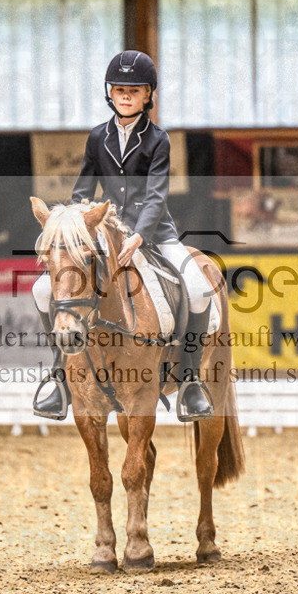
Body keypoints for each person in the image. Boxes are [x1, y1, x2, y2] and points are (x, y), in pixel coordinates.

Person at [32, 50, 216, 422]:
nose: (126, 96)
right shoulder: (97, 137)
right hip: (105, 231)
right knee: (41, 289)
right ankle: (59, 375)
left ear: (148, 95)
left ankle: (191, 380)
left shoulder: (158, 139)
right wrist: (76, 221)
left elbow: (156, 195)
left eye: (134, 90)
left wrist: (139, 236)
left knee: (198, 288)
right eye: (119, 90)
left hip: (154, 233)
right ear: (110, 94)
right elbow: (83, 191)